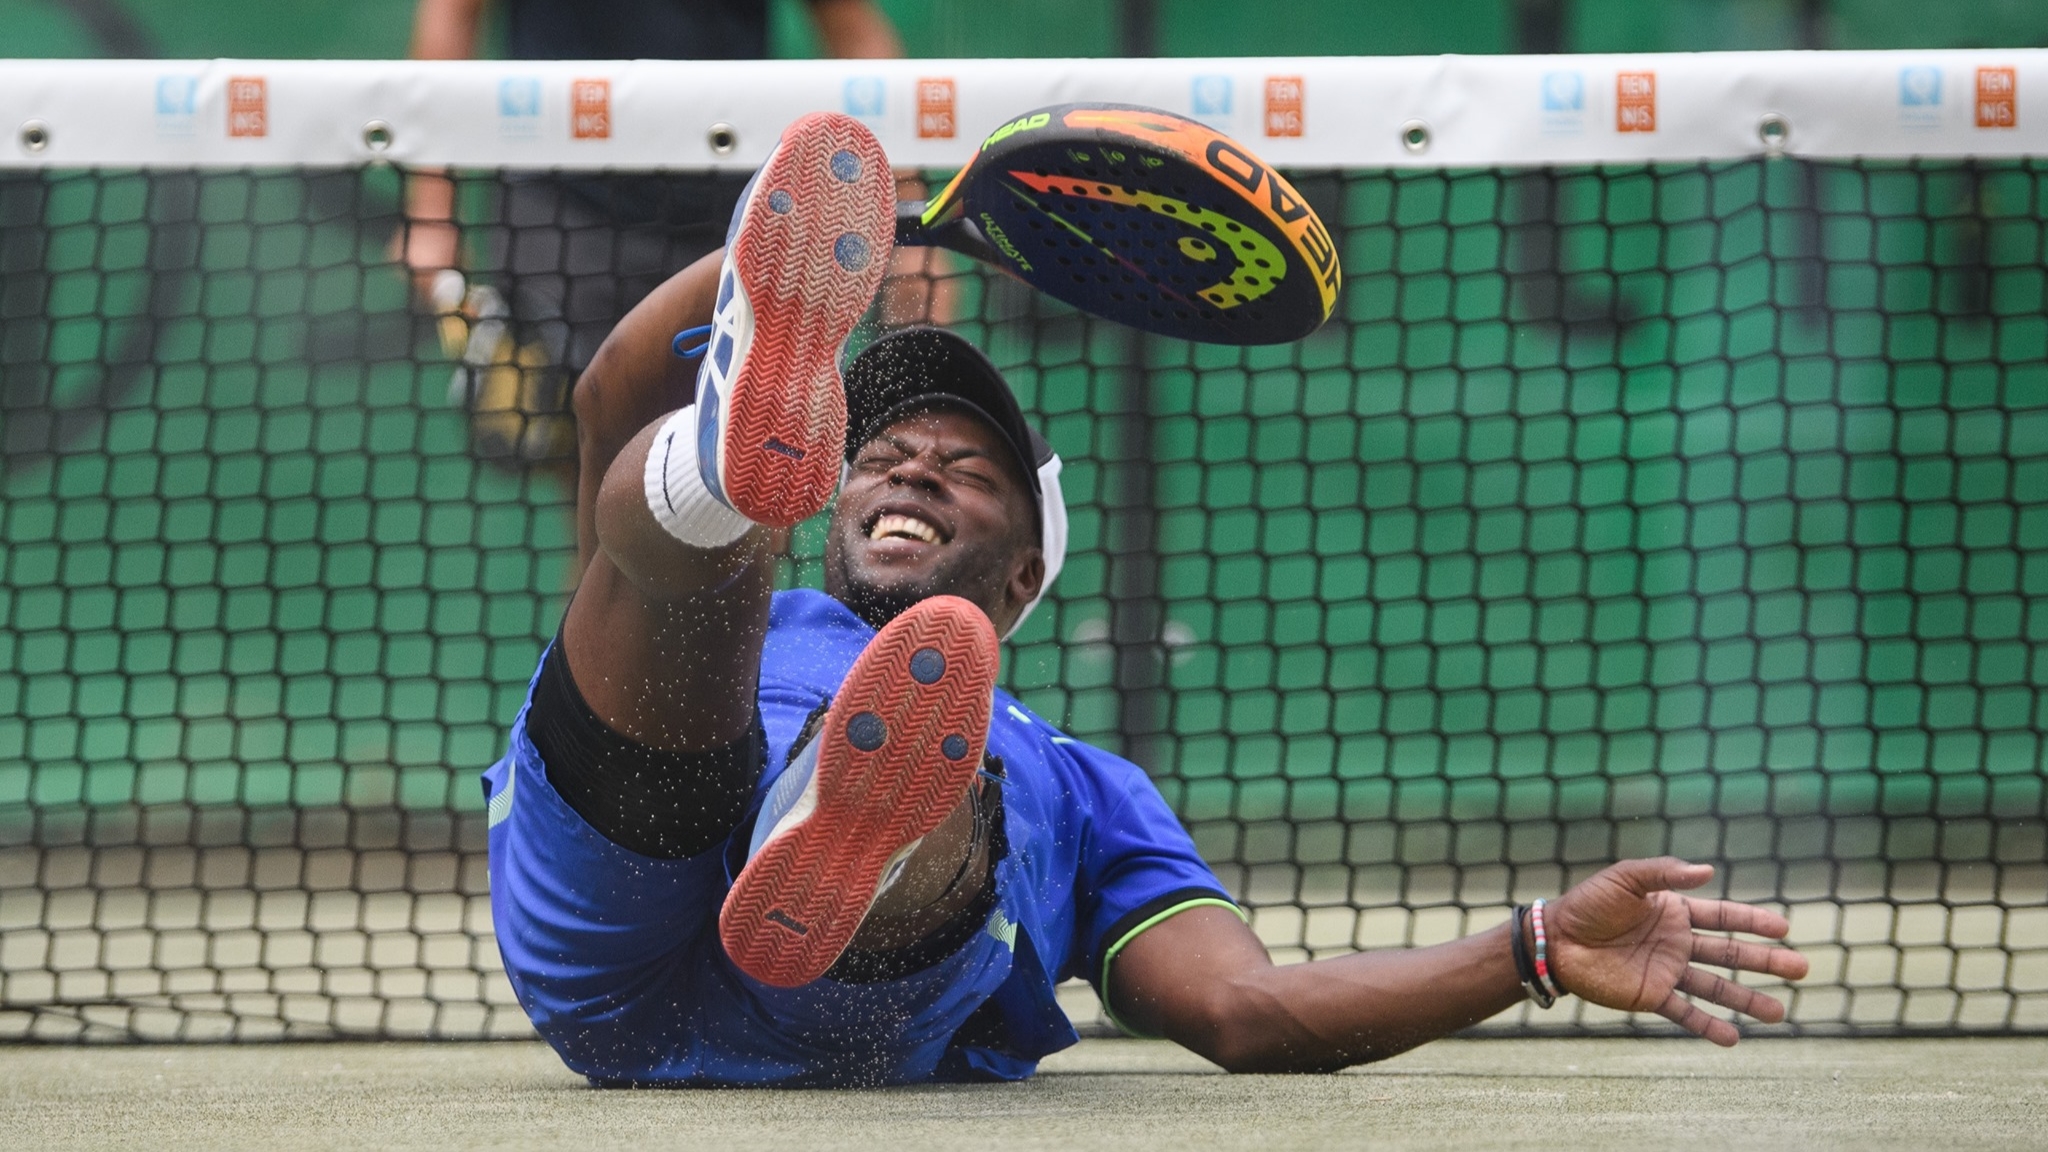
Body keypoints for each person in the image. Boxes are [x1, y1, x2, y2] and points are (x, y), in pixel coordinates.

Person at [483, 112, 1810, 1087]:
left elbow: (1248, 1011)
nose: (912, 465)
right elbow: (609, 389)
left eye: (969, 470)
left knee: (963, 769)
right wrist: (890, 232)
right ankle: (725, 466)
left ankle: (864, 827)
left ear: (1023, 576)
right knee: (697, 570)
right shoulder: (770, 613)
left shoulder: (1087, 781)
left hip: (838, 990)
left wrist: (1523, 950)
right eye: (880, 450)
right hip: (622, 872)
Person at [397, 0, 906, 475]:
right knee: (594, 480)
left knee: (737, 479)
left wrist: (907, 224)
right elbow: (452, 12)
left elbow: (854, 29)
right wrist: (429, 210)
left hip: (731, 222)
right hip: (563, 210)